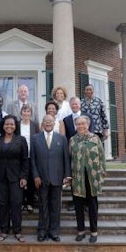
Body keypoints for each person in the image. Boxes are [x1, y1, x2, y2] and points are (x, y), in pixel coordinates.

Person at [31, 115, 71, 242]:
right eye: (45, 121)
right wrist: (35, 175)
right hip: (41, 179)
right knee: (43, 206)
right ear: (42, 124)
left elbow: (66, 159)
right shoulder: (35, 139)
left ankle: (54, 231)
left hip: (57, 178)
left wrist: (67, 175)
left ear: (54, 123)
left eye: (50, 121)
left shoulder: (62, 139)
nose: (48, 123)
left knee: (55, 207)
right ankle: (42, 231)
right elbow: (32, 160)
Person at [0, 115, 29, 243]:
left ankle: (17, 231)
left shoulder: (21, 140)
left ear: (15, 126)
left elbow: (25, 160)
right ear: (3, 125)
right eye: (7, 124)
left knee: (16, 204)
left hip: (16, 178)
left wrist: (24, 176)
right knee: (2, 204)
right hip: (0, 178)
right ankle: (4, 230)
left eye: (12, 124)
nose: (9, 126)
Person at [69, 115, 106, 243]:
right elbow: (69, 158)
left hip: (92, 178)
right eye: (78, 124)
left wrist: (102, 173)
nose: (81, 126)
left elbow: (101, 156)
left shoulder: (95, 139)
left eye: (83, 124)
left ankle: (94, 231)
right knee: (78, 206)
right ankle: (81, 231)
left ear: (88, 125)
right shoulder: (73, 140)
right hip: (77, 177)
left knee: (92, 205)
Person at [59, 96, 94, 212]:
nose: (75, 106)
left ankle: (87, 204)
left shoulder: (88, 117)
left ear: (80, 105)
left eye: (76, 104)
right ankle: (76, 203)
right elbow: (66, 137)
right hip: (72, 153)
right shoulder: (66, 119)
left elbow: (91, 134)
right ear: (70, 105)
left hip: (86, 154)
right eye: (72, 104)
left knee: (86, 179)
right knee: (75, 179)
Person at [18, 104, 40, 213]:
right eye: (24, 111)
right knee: (20, 179)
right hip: (19, 157)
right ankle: (22, 202)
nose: (26, 113)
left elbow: (38, 139)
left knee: (31, 180)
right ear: (21, 113)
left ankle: (30, 203)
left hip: (32, 155)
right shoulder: (17, 125)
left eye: (28, 112)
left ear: (31, 114)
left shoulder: (35, 125)